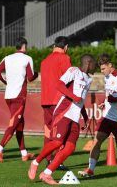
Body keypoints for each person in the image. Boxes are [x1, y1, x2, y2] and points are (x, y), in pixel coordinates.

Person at [28, 54, 96, 185]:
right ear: (88, 63)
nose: (95, 67)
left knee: (70, 148)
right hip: (64, 112)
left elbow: (80, 100)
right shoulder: (73, 71)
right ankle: (35, 162)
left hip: (75, 117)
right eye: (94, 64)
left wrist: (85, 117)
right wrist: (73, 97)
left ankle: (47, 173)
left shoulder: (89, 80)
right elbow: (59, 85)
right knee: (57, 142)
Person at [0, 37, 38, 162]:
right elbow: (30, 77)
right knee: (13, 124)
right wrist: (37, 74)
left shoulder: (7, 58)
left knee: (19, 124)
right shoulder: (27, 58)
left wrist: (5, 81)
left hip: (8, 95)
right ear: (24, 46)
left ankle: (24, 153)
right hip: (19, 96)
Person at [40, 36, 72, 167]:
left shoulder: (44, 61)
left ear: (54, 46)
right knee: (60, 132)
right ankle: (57, 161)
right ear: (66, 47)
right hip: (58, 101)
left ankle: (48, 158)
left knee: (48, 131)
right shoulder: (64, 58)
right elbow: (70, 78)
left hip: (45, 100)